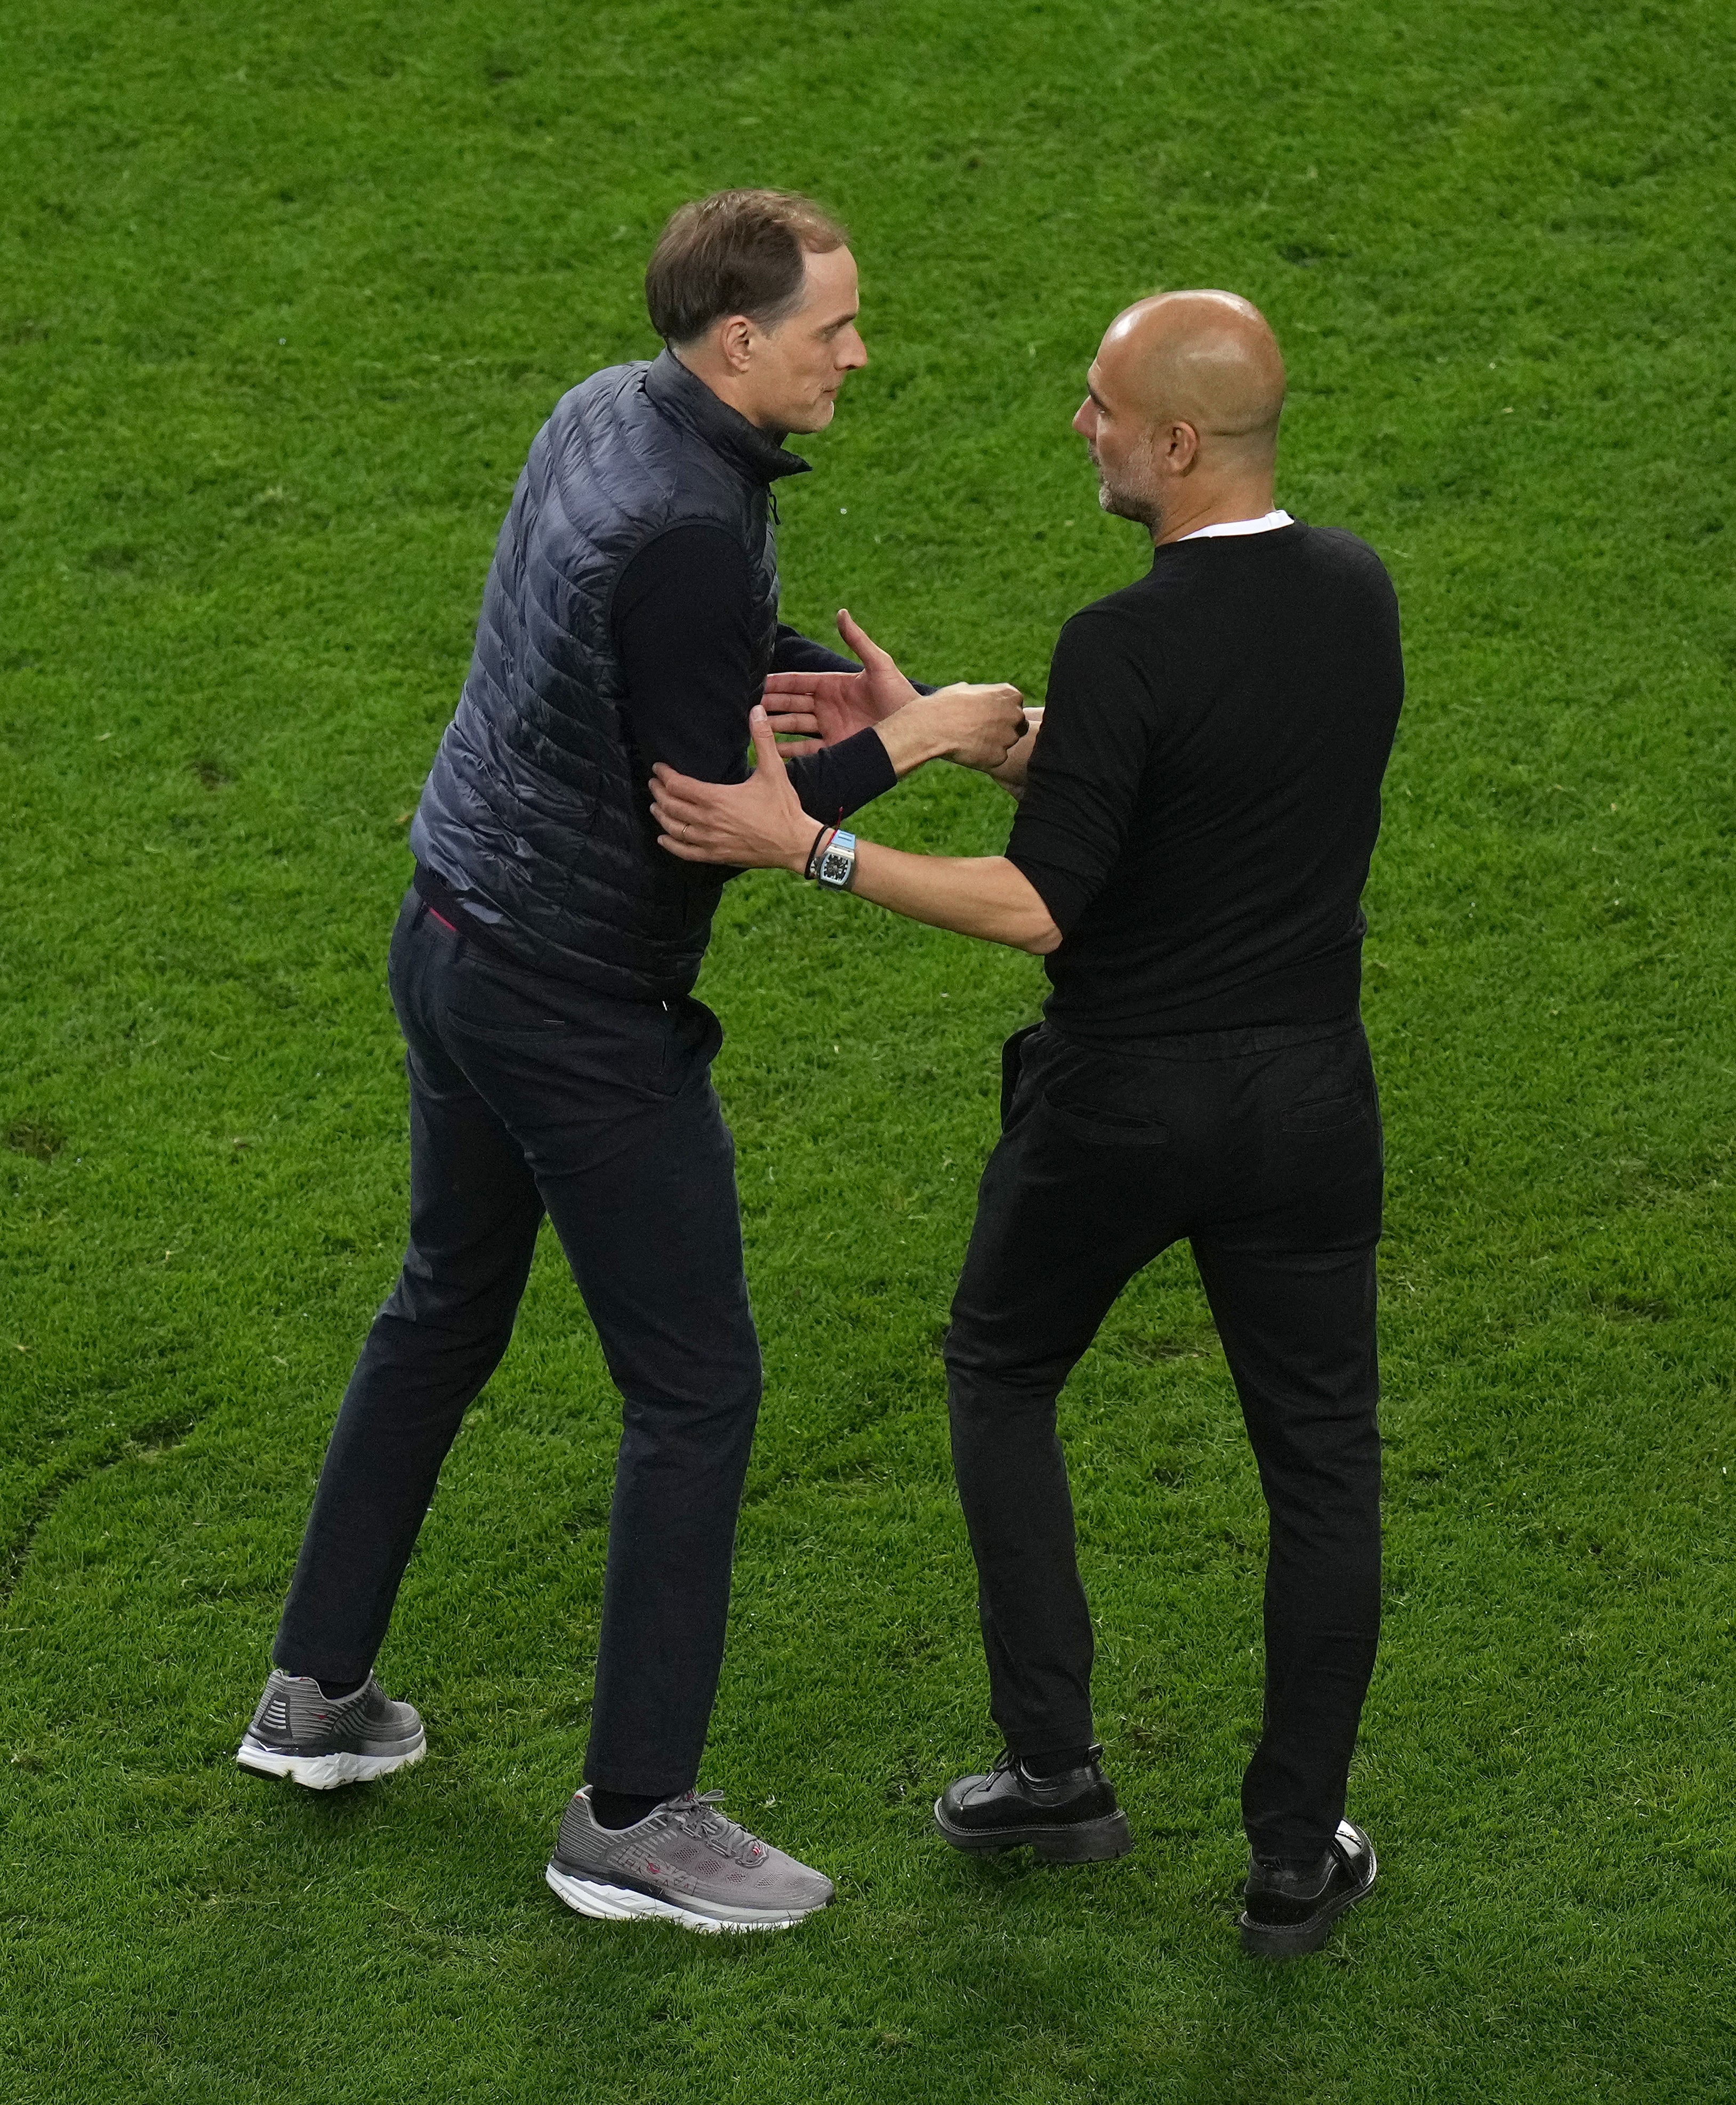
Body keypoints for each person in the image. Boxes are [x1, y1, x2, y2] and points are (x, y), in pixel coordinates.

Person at [235, 188, 1027, 1937]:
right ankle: (632, 1815)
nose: (860, 352)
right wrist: (922, 735)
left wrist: (807, 681)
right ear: (739, 339)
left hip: (450, 935)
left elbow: (677, 674)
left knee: (442, 1303)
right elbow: (718, 826)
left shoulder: (612, 407)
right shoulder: (687, 518)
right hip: (577, 1004)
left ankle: (317, 1699)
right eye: (835, 327)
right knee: (697, 1388)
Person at [648, 288, 1404, 1958]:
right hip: (1307, 1100)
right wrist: (954, 743)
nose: (1081, 427)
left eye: (1101, 404)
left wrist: (815, 847)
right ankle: (1294, 1857)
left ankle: (1057, 1767)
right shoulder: (1355, 591)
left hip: (1122, 1103)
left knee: (1000, 1370)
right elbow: (1215, 784)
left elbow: (1037, 908)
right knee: (1323, 1468)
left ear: (1180, 443)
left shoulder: (1126, 637)